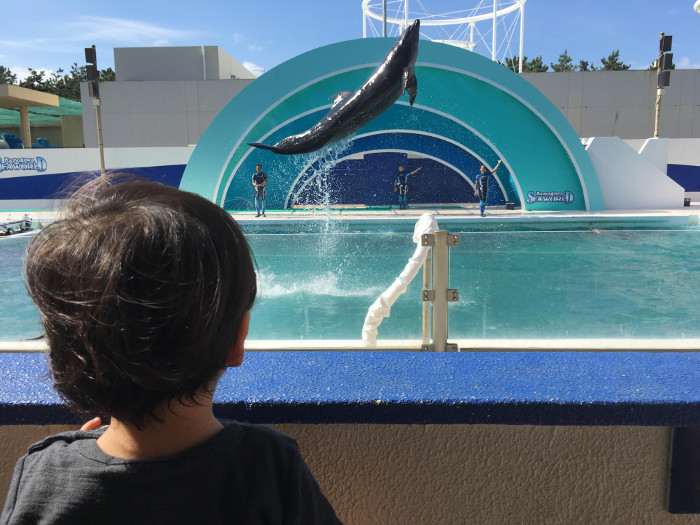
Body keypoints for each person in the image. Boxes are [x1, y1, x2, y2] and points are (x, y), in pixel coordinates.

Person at [0, 176, 341, 525]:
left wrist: (70, 465)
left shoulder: (41, 473)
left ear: (62, 350)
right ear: (238, 340)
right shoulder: (268, 467)